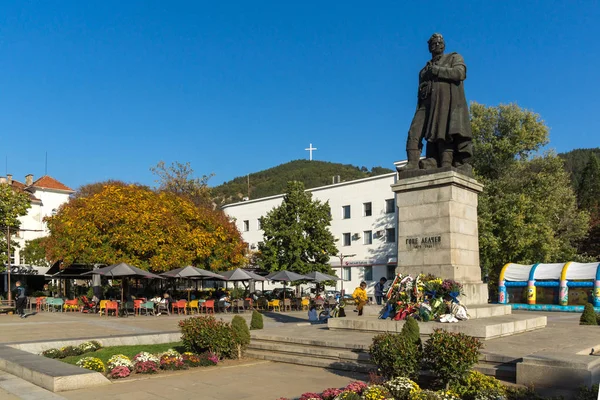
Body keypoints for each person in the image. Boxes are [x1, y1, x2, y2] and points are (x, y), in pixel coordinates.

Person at [398, 33, 473, 174]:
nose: (437, 45)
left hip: (446, 103)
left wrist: (437, 71)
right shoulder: (423, 71)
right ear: (429, 48)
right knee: (414, 130)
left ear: (444, 45)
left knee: (443, 131)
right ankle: (412, 163)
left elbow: (459, 73)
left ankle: (445, 162)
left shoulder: (453, 58)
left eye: (439, 43)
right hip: (426, 105)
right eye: (433, 44)